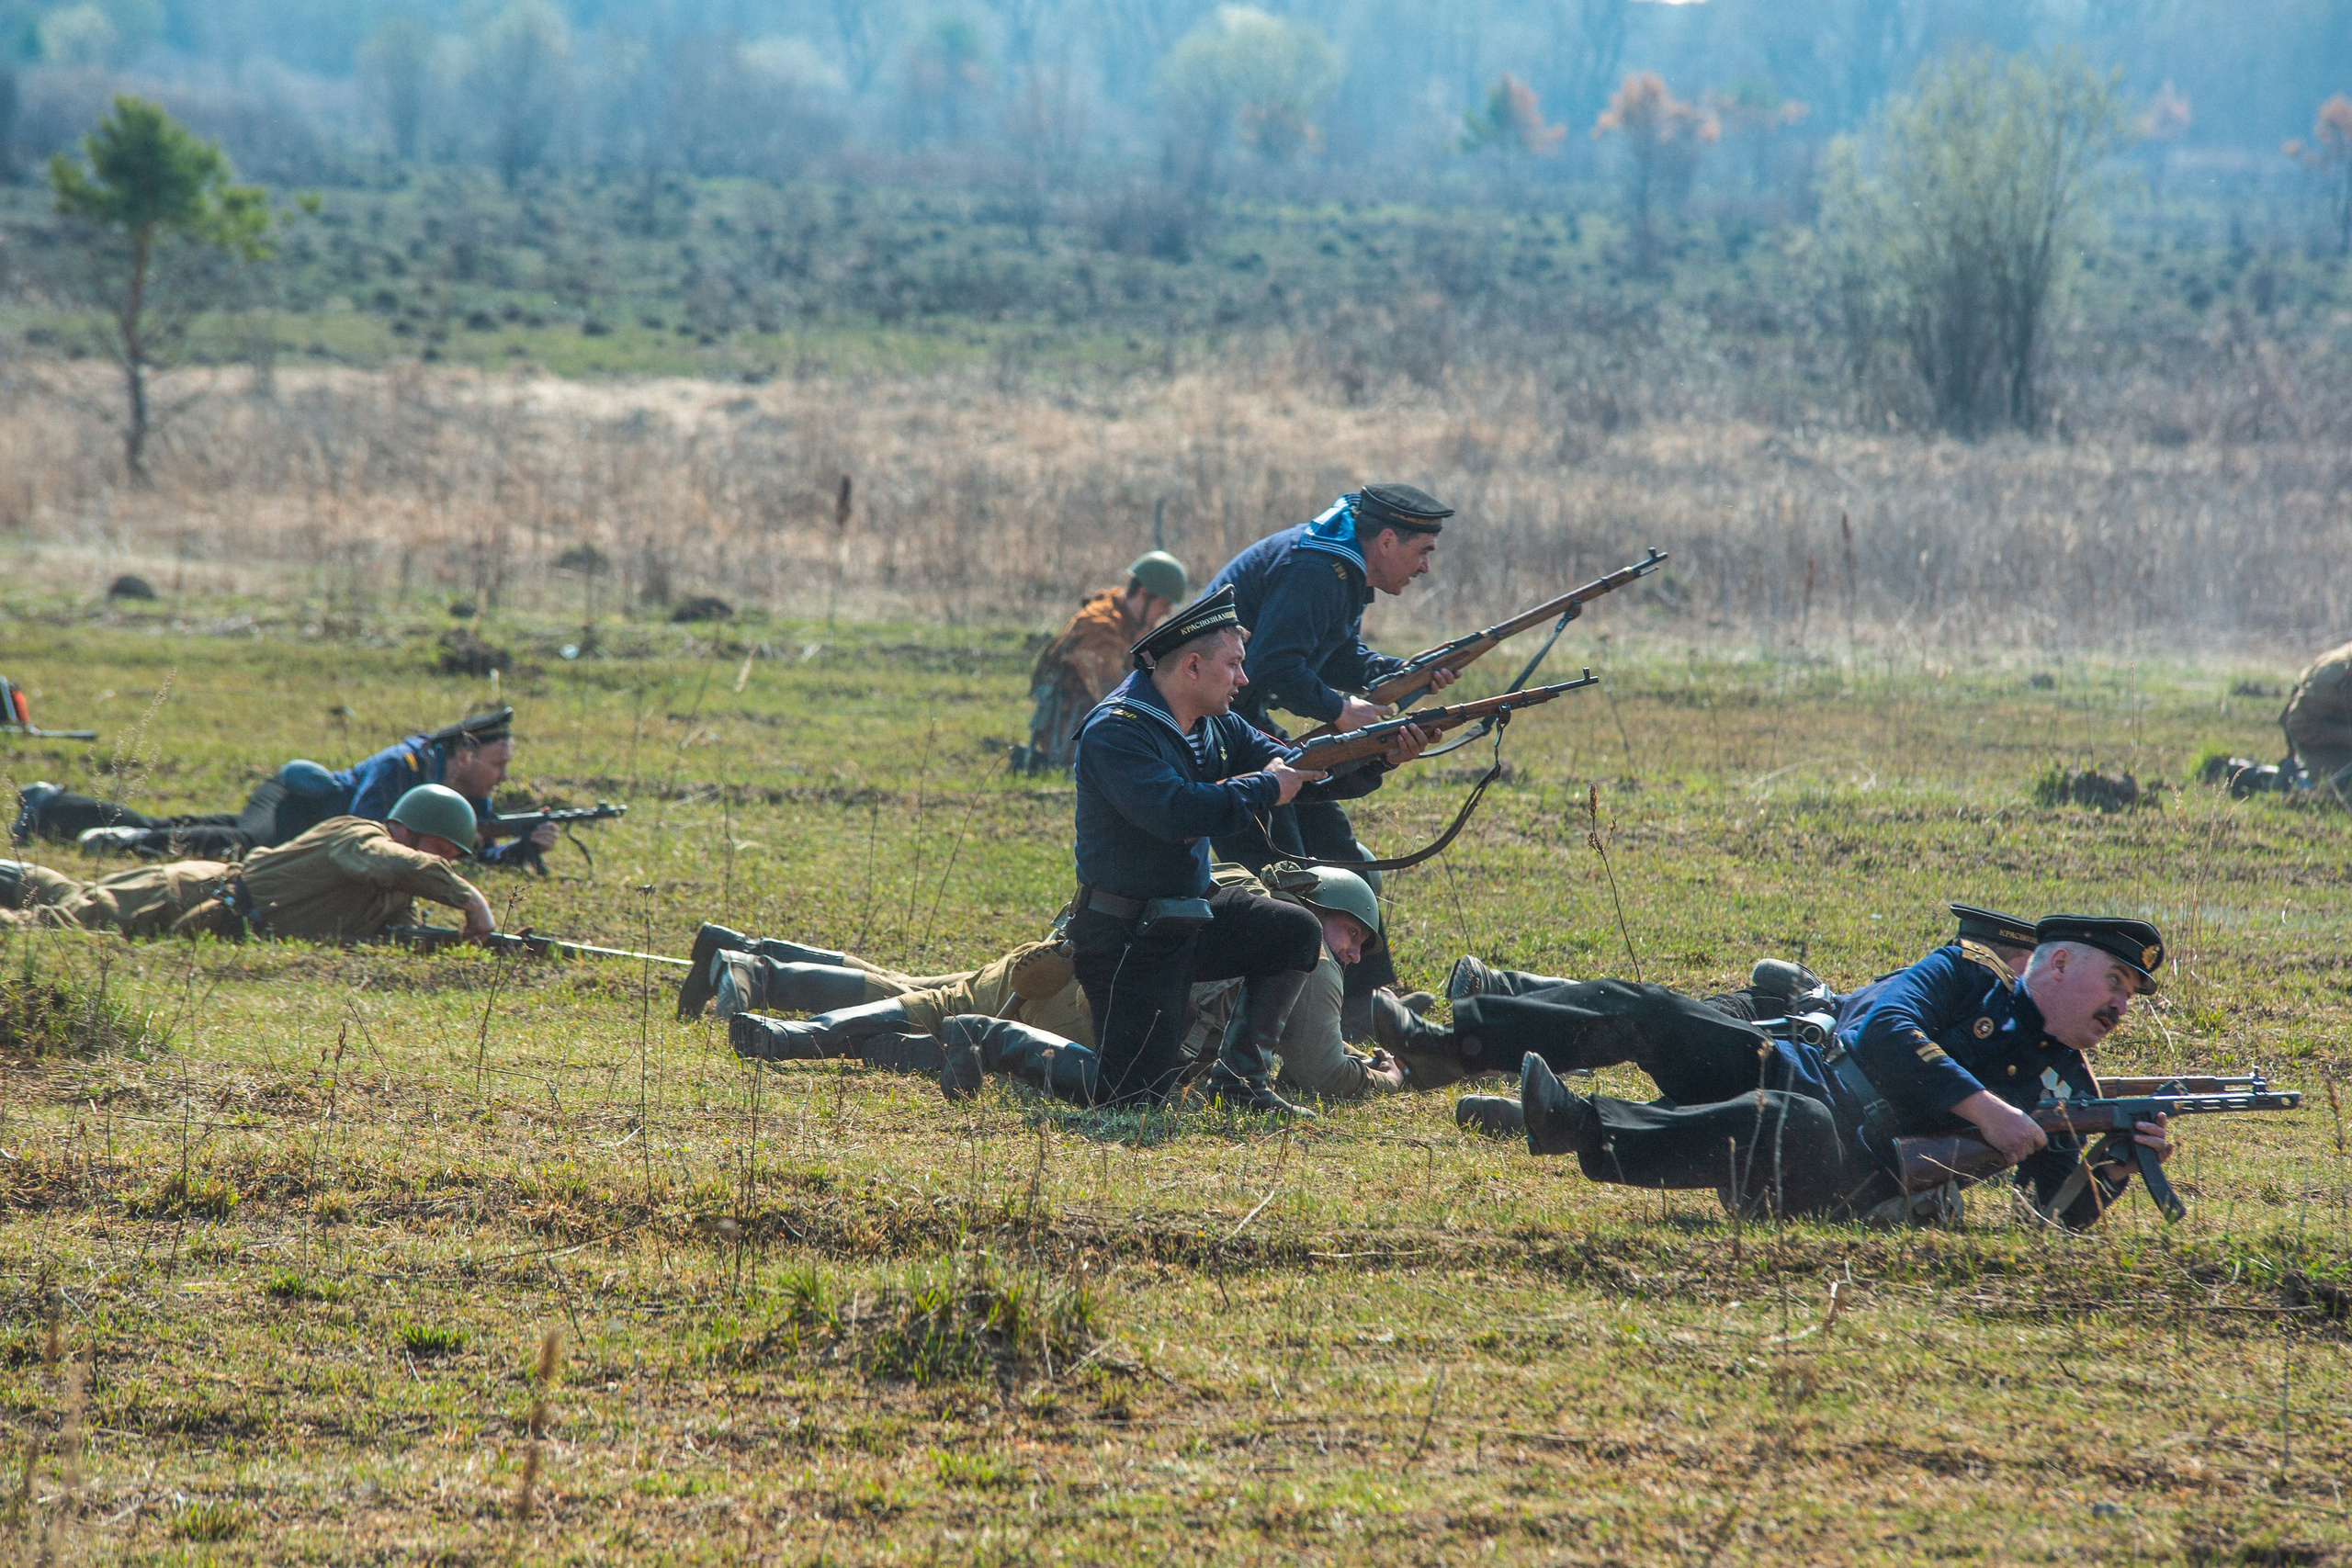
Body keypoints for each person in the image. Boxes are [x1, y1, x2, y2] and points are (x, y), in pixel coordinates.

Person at [1465, 915, 2174, 1229]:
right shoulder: (1967, 974)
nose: (2120, 1004)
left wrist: (2116, 1165)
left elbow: (2047, 1220)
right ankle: (1464, 1031)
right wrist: (1986, 1107)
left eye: (2129, 995)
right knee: (1654, 1009)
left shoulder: (2071, 1089)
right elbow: (1886, 1030)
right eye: (2114, 982)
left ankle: (1579, 1122)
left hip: (1847, 1174)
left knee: (1790, 1122)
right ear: (2057, 964)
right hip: (1797, 1065)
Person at [695, 863, 1409, 1105]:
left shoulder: (1234, 882)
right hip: (1091, 1024)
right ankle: (764, 984)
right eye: (1352, 936)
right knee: (930, 1006)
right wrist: (1383, 1075)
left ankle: (758, 968)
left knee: (926, 994)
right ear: (1325, 909)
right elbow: (1320, 1068)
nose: (1349, 954)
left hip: (1062, 970)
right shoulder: (1303, 944)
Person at [1200, 484, 1463, 1032]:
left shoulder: (1337, 566)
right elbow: (1273, 665)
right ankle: (1302, 1020)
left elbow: (1335, 651)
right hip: (1212, 727)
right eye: (1423, 552)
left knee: (1334, 841)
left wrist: (1397, 674)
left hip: (1239, 719)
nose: (1425, 569)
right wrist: (1340, 710)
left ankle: (1368, 1000)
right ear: (1387, 541)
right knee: (1292, 866)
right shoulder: (1321, 570)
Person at [1405, 903, 2043, 1114]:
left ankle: (1540, 1108)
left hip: (1803, 1056)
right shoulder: (1945, 980)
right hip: (1786, 1013)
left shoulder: (1990, 1030)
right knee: (1662, 1016)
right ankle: (1509, 1005)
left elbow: (1887, 1045)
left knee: (1661, 1032)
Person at [12, 707, 559, 869]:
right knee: (249, 847)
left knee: (176, 826)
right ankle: (126, 843)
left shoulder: (469, 792)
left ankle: (52, 807)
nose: (502, 776)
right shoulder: (403, 765)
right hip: (294, 808)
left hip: (314, 829)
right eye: (497, 763)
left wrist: (518, 850)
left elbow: (467, 849)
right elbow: (367, 833)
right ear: (465, 753)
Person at [0, 784, 495, 944]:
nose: (448, 863)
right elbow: (389, 863)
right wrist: (469, 899)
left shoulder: (397, 889)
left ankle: (16, 874)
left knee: (68, 900)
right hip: (183, 894)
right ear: (409, 831)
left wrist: (456, 942)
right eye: (445, 851)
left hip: (209, 918)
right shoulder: (359, 837)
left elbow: (394, 933)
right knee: (52, 929)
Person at [1012, 551, 1190, 774]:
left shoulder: (1136, 620)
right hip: (1071, 731)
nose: (1167, 612)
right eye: (1164, 603)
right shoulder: (1099, 625)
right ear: (1144, 594)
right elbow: (1113, 692)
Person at [2279, 639, 2352, 801]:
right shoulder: (2334, 677)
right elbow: (2299, 726)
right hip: (2315, 738)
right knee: (2343, 794)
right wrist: (2347, 737)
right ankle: (2288, 780)